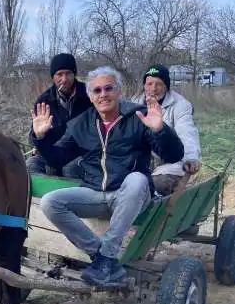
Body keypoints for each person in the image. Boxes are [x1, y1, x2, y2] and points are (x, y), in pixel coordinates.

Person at [30, 66, 185, 286]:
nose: (103, 94)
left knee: (138, 179)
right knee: (50, 202)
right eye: (97, 90)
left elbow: (174, 155)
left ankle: (106, 256)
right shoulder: (82, 124)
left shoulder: (138, 116)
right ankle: (103, 258)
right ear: (91, 97)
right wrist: (40, 137)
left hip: (131, 196)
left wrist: (160, 130)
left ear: (119, 91)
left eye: (108, 88)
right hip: (95, 193)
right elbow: (57, 159)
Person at [132, 64, 201, 195]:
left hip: (171, 161)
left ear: (167, 86)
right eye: (149, 84)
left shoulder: (180, 105)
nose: (153, 88)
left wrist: (191, 158)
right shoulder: (134, 103)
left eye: (159, 84)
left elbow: (187, 132)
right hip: (143, 160)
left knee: (158, 183)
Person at [26, 52, 92, 178]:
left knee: (70, 169)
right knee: (30, 165)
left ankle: (71, 197)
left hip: (81, 154)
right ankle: (44, 196)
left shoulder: (90, 95)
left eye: (68, 73)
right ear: (53, 77)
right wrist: (39, 135)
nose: (64, 79)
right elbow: (33, 137)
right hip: (51, 154)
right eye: (59, 74)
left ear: (74, 74)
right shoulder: (43, 101)